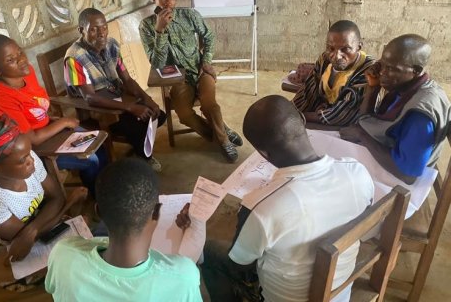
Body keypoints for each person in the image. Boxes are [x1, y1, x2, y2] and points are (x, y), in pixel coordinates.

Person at [177, 95, 374, 302]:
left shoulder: (260, 207)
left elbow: (241, 265)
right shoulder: (356, 172)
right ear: (302, 119)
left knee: (209, 252)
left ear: (263, 153)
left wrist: (196, 228)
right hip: (340, 293)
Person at [45, 158, 203, 302]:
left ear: (98, 211)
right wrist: (192, 232)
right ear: (156, 212)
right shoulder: (183, 276)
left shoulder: (62, 255)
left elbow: (52, 288)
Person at [0, 34, 106, 197]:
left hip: (47, 132)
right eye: (11, 60)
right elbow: (33, 139)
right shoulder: (0, 97)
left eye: (20, 52)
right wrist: (64, 122)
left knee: (98, 144)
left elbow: (36, 107)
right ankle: (98, 198)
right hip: (27, 153)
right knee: (91, 159)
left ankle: (102, 190)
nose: (21, 59)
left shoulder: (26, 71)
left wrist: (52, 121)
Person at [0, 115, 86, 289]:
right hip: (4, 253)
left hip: (34, 225)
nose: (31, 160)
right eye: (22, 160)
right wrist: (69, 204)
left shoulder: (27, 158)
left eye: (29, 152)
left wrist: (31, 230)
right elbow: (23, 242)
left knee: (84, 247)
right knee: (70, 271)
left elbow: (56, 198)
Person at [139, 0, 242, 163]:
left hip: (200, 70)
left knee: (210, 105)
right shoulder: (146, 26)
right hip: (178, 79)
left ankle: (224, 140)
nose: (167, 3)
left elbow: (209, 36)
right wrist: (160, 31)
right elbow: (157, 64)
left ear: (176, 0)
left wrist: (207, 61)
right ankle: (218, 131)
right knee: (184, 114)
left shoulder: (189, 15)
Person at [64, 8, 166, 171]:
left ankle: (139, 148)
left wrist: (148, 99)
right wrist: (131, 108)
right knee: (137, 124)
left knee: (158, 115)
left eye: (104, 27)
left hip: (117, 98)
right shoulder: (75, 58)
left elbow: (126, 78)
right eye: (93, 29)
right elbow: (90, 98)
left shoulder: (111, 45)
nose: (101, 33)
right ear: (81, 30)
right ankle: (143, 156)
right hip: (98, 110)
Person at [340, 34, 451, 184]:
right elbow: (365, 122)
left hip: (397, 184)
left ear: (416, 70)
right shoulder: (405, 87)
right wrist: (372, 88)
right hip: (384, 157)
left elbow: (407, 175)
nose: (382, 72)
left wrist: (362, 136)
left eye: (391, 68)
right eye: (382, 64)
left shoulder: (420, 115)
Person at [293, 20, 375, 127]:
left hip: (345, 125)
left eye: (345, 49)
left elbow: (344, 114)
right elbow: (308, 91)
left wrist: (299, 116)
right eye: (331, 48)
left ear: (358, 47)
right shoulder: (325, 59)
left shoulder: (367, 70)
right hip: (320, 114)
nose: (337, 56)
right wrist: (292, 109)